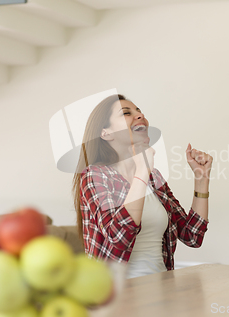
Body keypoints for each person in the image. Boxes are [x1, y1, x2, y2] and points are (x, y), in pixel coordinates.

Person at [72, 94, 212, 278]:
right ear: (105, 133)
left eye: (139, 111)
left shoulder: (154, 178)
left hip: (162, 289)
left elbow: (192, 236)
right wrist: (141, 171)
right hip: (117, 297)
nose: (140, 115)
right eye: (126, 113)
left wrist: (201, 179)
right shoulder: (96, 176)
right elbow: (118, 238)